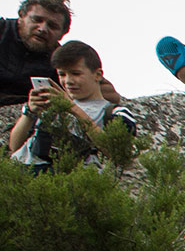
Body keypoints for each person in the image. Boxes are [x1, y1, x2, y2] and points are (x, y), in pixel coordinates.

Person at [9, 41, 139, 171]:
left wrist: (72, 108)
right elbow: (14, 146)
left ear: (98, 75)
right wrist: (30, 113)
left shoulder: (115, 112)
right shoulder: (51, 104)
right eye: (62, 74)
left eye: (76, 73)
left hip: (68, 182)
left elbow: (120, 156)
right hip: (21, 175)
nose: (68, 81)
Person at [2, 0, 102, 107]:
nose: (42, 29)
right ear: (21, 16)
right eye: (37, 20)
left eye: (52, 26)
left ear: (62, 34)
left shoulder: (62, 60)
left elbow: (100, 90)